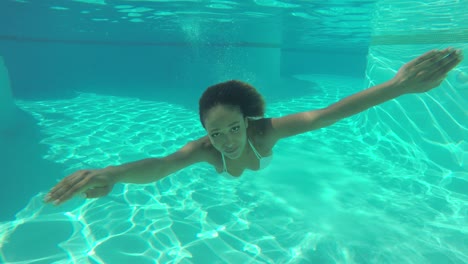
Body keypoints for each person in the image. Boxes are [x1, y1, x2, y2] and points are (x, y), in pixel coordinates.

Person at [44, 48, 463, 206]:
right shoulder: (205, 152)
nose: (225, 141)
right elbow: (161, 166)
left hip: (282, 178)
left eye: (232, 128)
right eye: (215, 133)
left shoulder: (267, 132)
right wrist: (111, 174)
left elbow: (327, 115)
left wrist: (397, 86)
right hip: (236, 192)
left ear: (248, 121)